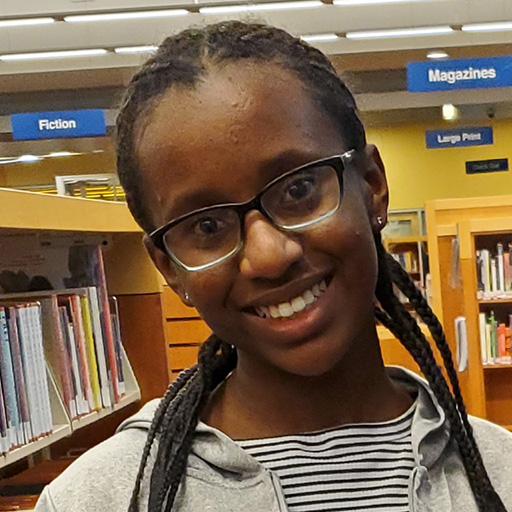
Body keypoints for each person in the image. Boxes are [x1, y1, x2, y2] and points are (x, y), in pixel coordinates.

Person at [35, 21, 512, 512]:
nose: (268, 255)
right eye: (205, 226)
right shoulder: (96, 499)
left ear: (372, 185)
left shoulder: (500, 476)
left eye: (299, 189)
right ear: (169, 267)